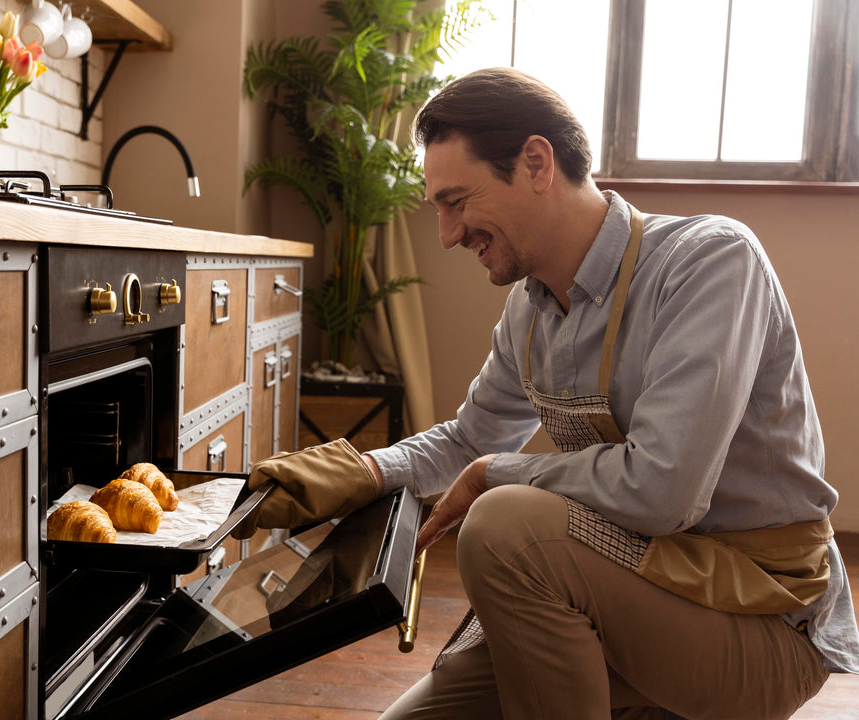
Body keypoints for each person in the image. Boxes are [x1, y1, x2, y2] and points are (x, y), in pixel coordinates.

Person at [238, 67, 859, 719]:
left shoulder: (710, 262)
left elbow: (663, 489)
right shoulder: (529, 311)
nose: (448, 235)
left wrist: (495, 475)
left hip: (758, 624)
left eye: (456, 202)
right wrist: (362, 470)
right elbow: (471, 440)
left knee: (504, 525)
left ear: (536, 162)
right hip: (619, 588)